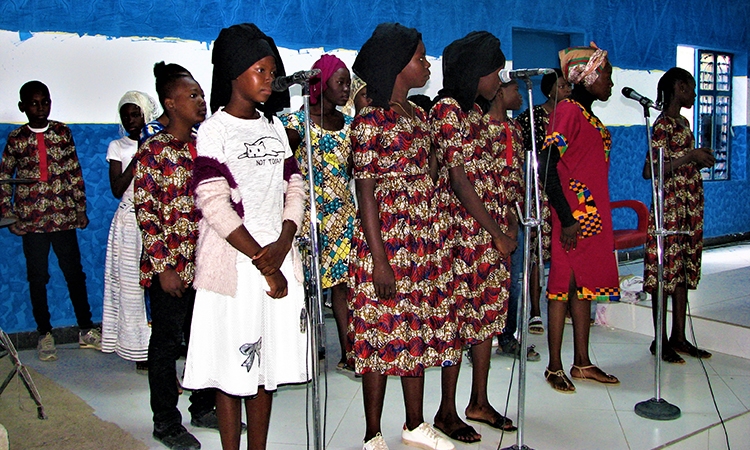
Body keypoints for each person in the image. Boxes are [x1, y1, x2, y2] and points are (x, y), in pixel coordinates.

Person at [181, 23, 311, 450]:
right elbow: (213, 204)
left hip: (277, 257)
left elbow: (295, 185)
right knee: (232, 369)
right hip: (236, 270)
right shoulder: (215, 131)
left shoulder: (274, 127)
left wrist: (284, 241)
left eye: (272, 71)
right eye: (260, 70)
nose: (269, 79)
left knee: (265, 371)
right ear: (235, 74)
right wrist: (263, 260)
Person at [350, 22, 456, 450]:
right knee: (378, 333)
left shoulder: (420, 116)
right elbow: (366, 193)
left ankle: (415, 424)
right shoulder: (368, 123)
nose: (427, 64)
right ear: (397, 66)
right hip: (385, 242)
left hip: (421, 242)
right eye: (419, 58)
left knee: (416, 330)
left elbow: (428, 176)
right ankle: (372, 433)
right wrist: (379, 259)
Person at [429, 31, 518, 444]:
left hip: (492, 234)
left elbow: (493, 174)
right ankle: (446, 411)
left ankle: (478, 401)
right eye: (493, 70)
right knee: (458, 322)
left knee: (486, 319)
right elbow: (460, 180)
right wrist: (498, 233)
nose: (499, 77)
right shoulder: (447, 109)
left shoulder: (478, 113)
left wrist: (508, 223)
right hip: (462, 236)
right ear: (472, 72)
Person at [133, 63, 217, 449]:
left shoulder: (206, 146)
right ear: (170, 103)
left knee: (205, 338)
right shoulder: (153, 150)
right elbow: (146, 212)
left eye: (202, 95)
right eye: (193, 96)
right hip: (169, 267)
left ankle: (204, 405)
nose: (201, 102)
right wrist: (165, 267)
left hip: (205, 264)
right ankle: (166, 420)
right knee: (166, 344)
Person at [0, 80, 100, 362]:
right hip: (31, 221)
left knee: (74, 274)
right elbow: (6, 177)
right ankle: (44, 334)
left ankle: (85, 329)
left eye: (45, 102)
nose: (40, 107)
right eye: (33, 103)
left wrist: (80, 208)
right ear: (23, 107)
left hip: (64, 217)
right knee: (37, 277)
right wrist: (8, 217)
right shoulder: (16, 139)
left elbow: (74, 171)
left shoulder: (62, 133)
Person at [540, 43, 620, 393]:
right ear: (586, 77)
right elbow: (547, 167)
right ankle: (555, 366)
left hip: (591, 216)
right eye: (606, 75)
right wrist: (567, 217)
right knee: (562, 286)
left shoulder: (588, 115)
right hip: (572, 215)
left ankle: (583, 362)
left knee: (583, 285)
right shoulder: (569, 110)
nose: (611, 83)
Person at [280, 54, 357, 373]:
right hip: (307, 218)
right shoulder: (297, 123)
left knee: (343, 286)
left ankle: (350, 352)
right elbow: (281, 166)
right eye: (340, 82)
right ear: (320, 84)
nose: (346, 89)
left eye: (348, 83)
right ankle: (301, 354)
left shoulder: (351, 126)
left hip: (342, 217)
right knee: (305, 286)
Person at [642, 67, 715, 363]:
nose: (695, 94)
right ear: (680, 87)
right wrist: (690, 157)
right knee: (665, 273)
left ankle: (679, 336)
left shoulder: (683, 123)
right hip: (669, 210)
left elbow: (680, 164)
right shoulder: (661, 126)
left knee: (683, 270)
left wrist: (698, 161)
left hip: (689, 209)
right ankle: (660, 341)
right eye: (692, 88)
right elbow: (650, 170)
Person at [101, 90, 159, 371]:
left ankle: (163, 344)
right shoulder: (117, 146)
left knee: (160, 287)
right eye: (126, 115)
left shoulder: (160, 142)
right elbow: (116, 189)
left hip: (157, 221)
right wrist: (138, 156)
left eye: (135, 114)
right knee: (131, 288)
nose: (130, 120)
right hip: (128, 221)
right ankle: (138, 350)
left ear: (146, 114)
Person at [486, 80, 540, 362]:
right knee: (488, 280)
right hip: (491, 219)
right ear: (498, 91)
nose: (520, 96)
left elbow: (519, 173)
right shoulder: (482, 129)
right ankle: (479, 340)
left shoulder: (517, 129)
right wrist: (503, 214)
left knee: (514, 281)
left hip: (518, 214)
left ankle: (508, 336)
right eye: (514, 90)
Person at [514, 69, 571, 336]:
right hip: (538, 190)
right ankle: (536, 311)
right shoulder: (531, 118)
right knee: (536, 252)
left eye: (569, 86)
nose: (568, 90)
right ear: (550, 90)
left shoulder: (572, 117)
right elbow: (524, 154)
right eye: (563, 86)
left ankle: (568, 304)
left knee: (564, 247)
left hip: (567, 190)